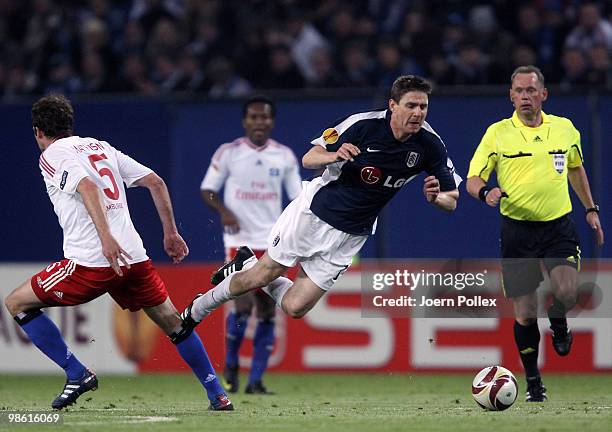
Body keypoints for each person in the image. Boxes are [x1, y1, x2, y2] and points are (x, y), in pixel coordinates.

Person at [182, 75, 461, 337]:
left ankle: (246, 261)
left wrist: (437, 198)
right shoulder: (362, 125)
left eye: (423, 106)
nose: (418, 113)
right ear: (392, 105)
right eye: (411, 105)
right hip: (314, 214)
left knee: (295, 307)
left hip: (352, 234)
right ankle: (196, 310)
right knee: (259, 276)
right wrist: (333, 154)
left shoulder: (430, 144)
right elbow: (309, 157)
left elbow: (452, 200)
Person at [3, 94, 233, 411]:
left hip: (92, 262)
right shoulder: (100, 146)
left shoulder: (51, 154)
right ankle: (217, 394)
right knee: (174, 323)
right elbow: (156, 181)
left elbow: (88, 188)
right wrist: (171, 232)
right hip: (134, 258)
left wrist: (106, 238)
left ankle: (77, 373)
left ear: (38, 132)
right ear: (70, 124)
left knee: (16, 302)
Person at [466, 65, 604, 402]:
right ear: (510, 96)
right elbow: (472, 180)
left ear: (543, 94)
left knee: (568, 292)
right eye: (519, 91)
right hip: (518, 231)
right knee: (526, 312)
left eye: (531, 90)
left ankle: (559, 322)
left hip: (558, 226)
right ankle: (533, 382)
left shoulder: (565, 130)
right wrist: (487, 193)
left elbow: (575, 167)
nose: (525, 97)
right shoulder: (498, 134)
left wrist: (590, 208)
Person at [200, 95, 301, 394]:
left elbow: (297, 198)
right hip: (239, 241)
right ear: (245, 121)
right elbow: (208, 190)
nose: (260, 122)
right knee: (242, 304)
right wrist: (224, 211)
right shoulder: (229, 153)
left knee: (268, 309)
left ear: (272, 121)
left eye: (265, 117)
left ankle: (255, 380)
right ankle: (231, 366)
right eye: (254, 117)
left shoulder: (284, 156)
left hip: (272, 241)